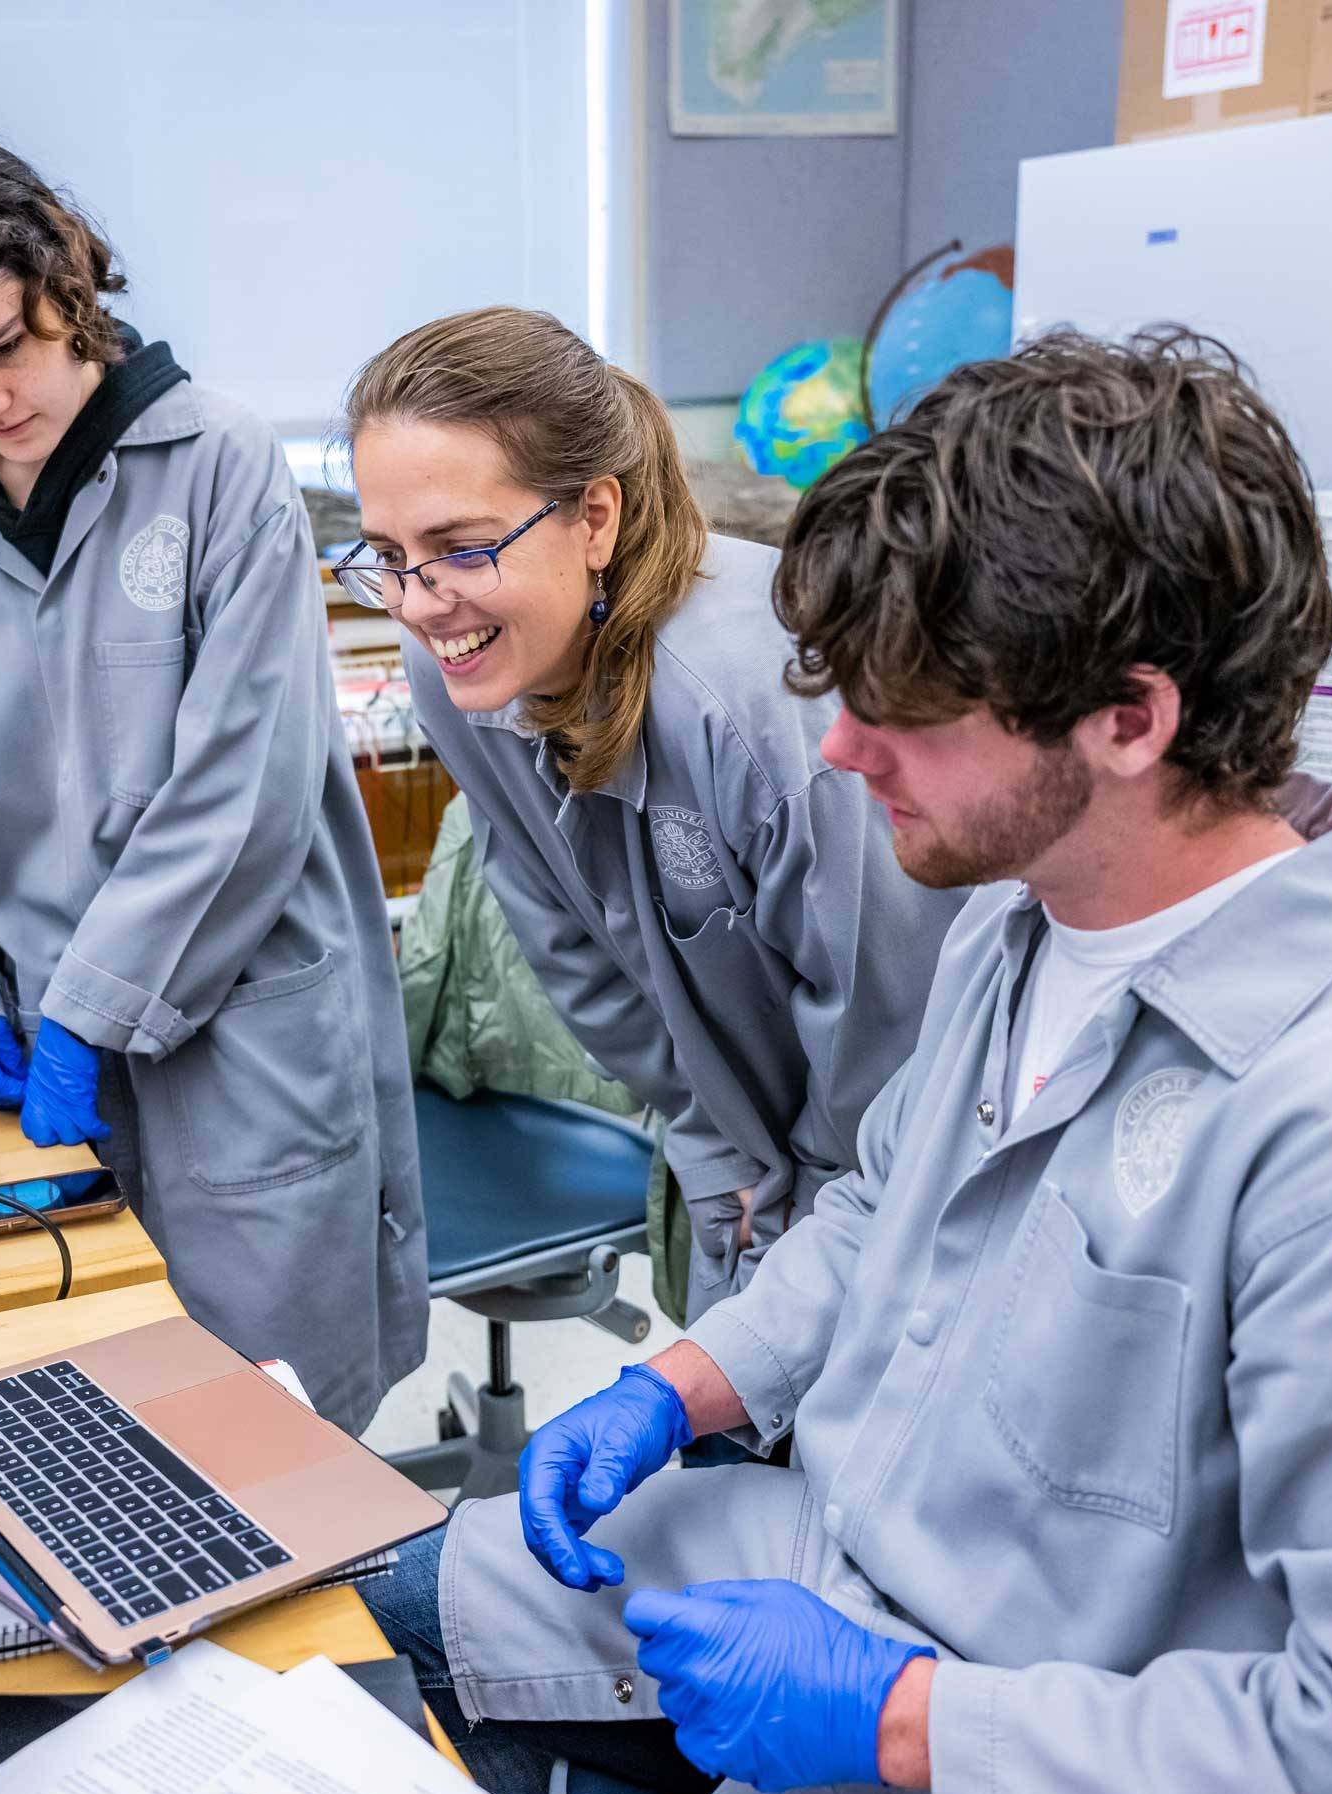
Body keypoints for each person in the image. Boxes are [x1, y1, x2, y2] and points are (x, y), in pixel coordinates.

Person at [360, 328, 1332, 1794]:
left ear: (1130, 717)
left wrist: (907, 1717)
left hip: (1032, 1731)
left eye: (906, 715)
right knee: (357, 1604)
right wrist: (691, 1381)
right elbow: (878, 1206)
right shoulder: (1025, 906)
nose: (844, 751)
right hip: (830, 1555)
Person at [0, 122, 424, 1431]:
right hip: (36, 1054)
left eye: (6, 347)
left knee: (275, 1432)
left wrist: (91, 1012)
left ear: (67, 286)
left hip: (239, 1038)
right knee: (93, 1414)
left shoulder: (220, 466)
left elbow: (242, 790)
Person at [340, 309, 965, 1326]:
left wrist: (805, 1197)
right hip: (746, 1150)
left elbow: (890, 1028)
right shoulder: (461, 660)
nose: (416, 602)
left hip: (895, 1159)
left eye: (457, 549)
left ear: (593, 517)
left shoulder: (767, 703)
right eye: (386, 556)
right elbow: (565, 935)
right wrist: (712, 1141)